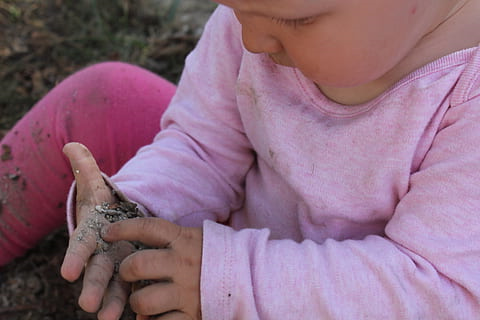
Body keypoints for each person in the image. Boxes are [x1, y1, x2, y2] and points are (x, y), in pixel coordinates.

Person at [1, 0, 480, 318]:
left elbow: (438, 292)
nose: (250, 40)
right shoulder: (263, 15)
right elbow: (205, 148)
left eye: (298, 21)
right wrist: (136, 211)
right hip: (224, 251)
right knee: (106, 94)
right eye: (234, 7)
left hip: (341, 302)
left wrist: (231, 283)